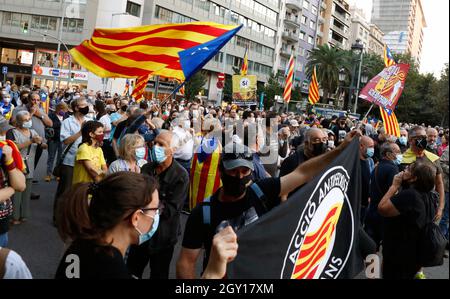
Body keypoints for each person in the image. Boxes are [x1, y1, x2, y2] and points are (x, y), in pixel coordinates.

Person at [177, 130, 359, 278]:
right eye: (233, 171)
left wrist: (341, 149)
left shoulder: (261, 190)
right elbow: (186, 262)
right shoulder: (203, 213)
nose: (239, 177)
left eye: (244, 170)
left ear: (251, 170)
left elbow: (303, 173)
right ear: (221, 171)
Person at [127, 131, 189, 279]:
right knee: (131, 271)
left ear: (172, 150)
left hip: (163, 238)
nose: (156, 147)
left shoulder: (181, 175)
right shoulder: (147, 168)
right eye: (155, 143)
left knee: (159, 274)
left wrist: (148, 205)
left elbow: (171, 210)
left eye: (161, 144)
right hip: (140, 233)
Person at [378, 161, 437, 279]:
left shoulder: (410, 196)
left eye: (408, 169)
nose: (404, 170)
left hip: (399, 254)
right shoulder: (429, 195)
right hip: (414, 253)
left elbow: (382, 208)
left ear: (414, 178)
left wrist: (394, 186)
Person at [401, 126, 445, 223]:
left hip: (429, 208)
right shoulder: (401, 159)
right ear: (410, 140)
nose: (424, 140)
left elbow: (439, 183)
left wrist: (440, 207)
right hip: (407, 209)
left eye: (425, 137)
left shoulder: (434, 158)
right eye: (420, 138)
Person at [8, 111, 43, 225]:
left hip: (30, 165)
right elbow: (14, 147)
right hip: (17, 166)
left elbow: (42, 144)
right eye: (25, 120)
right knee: (17, 191)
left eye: (29, 119)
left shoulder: (33, 132)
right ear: (18, 122)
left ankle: (24, 215)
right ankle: (14, 216)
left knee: (27, 192)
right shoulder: (12, 132)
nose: (29, 122)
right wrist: (31, 141)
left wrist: (42, 143)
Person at [365, 142, 401, 249]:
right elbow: (394, 192)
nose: (400, 154)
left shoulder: (377, 166)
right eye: (397, 152)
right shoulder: (393, 169)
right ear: (389, 154)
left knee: (372, 248)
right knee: (388, 248)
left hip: (372, 211)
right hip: (384, 215)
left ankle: (371, 266)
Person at [0, 116, 26, 246]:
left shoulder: (7, 151)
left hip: (2, 224)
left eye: (4, 132)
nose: (4, 136)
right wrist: (11, 189)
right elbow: (16, 187)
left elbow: (21, 185)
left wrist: (9, 161)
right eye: (1, 133)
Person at [279, 128, 328, 197]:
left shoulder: (326, 160)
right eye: (317, 140)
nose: (322, 143)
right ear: (306, 143)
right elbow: (283, 192)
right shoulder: (293, 161)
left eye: (324, 139)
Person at [72, 121, 107, 185]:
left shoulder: (99, 149)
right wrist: (100, 181)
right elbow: (91, 170)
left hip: (94, 186)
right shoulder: (83, 148)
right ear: (91, 134)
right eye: (99, 132)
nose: (102, 134)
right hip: (82, 188)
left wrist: (102, 174)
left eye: (102, 132)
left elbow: (104, 167)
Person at [46, 102, 68, 182]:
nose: (64, 111)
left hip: (62, 140)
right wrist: (60, 124)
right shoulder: (51, 115)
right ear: (58, 108)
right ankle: (48, 174)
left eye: (65, 110)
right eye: (62, 109)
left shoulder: (66, 116)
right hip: (53, 139)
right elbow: (49, 125)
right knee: (51, 157)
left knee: (60, 158)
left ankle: (57, 174)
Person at [359, 136, 375, 225]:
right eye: (370, 147)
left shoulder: (369, 161)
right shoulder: (355, 163)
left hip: (366, 203)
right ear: (361, 146)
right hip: (358, 205)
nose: (372, 150)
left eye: (373, 147)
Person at [94, 100, 113, 165]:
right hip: (103, 139)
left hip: (108, 140)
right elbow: (99, 129)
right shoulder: (101, 117)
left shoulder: (108, 117)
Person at [439, 146, 449, 252]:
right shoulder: (448, 150)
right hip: (448, 188)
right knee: (446, 217)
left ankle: (447, 240)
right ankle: (440, 243)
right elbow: (441, 164)